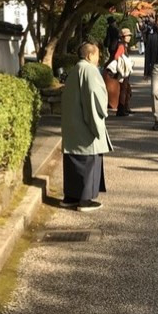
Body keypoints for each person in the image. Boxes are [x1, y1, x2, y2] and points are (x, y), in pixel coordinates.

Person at [62, 42, 113, 211]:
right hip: (85, 125)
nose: (98, 59)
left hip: (72, 125)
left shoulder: (75, 70)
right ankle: (84, 200)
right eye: (97, 55)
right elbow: (94, 95)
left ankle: (70, 197)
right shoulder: (90, 70)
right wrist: (98, 119)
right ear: (90, 55)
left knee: (72, 161)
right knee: (88, 160)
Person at [103, 28, 135, 117]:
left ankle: (125, 108)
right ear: (123, 37)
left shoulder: (121, 44)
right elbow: (117, 56)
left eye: (129, 35)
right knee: (124, 90)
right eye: (127, 36)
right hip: (122, 71)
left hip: (122, 71)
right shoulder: (121, 46)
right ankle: (121, 109)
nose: (129, 37)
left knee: (126, 89)